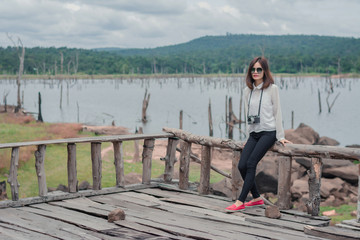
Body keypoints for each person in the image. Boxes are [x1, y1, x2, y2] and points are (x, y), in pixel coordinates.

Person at [226, 56, 292, 211]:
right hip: (254, 133)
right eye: (253, 69)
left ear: (265, 71)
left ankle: (241, 201)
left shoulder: (272, 89)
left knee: (251, 164)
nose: (255, 72)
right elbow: (247, 114)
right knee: (242, 165)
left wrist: (280, 136)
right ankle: (256, 198)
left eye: (259, 69)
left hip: (268, 133)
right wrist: (248, 136)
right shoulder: (247, 91)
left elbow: (278, 112)